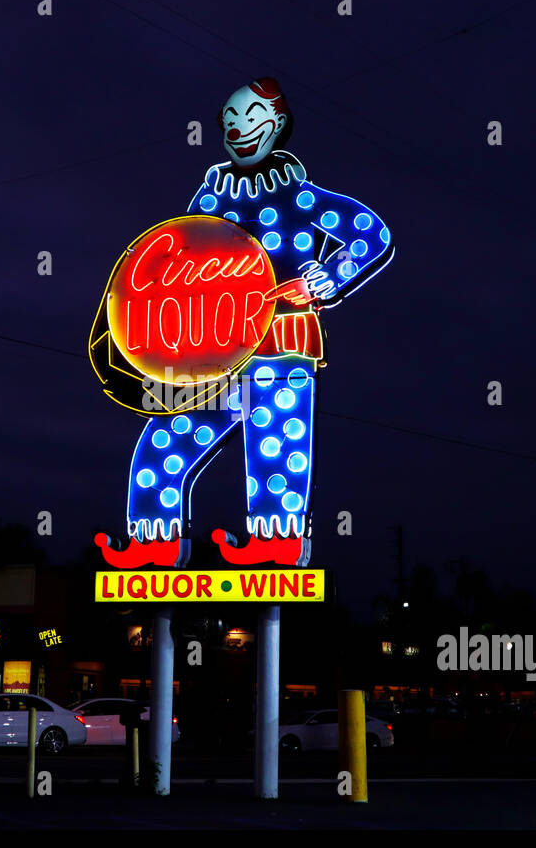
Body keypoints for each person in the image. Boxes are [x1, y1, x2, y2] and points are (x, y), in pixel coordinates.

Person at [97, 78, 395, 568]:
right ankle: (154, 540)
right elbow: (178, 255)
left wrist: (325, 281)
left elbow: (371, 234)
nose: (239, 129)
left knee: (274, 442)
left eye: (251, 118)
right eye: (230, 122)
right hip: (211, 348)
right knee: (167, 435)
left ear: (276, 124)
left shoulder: (300, 197)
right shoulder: (211, 198)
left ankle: (275, 544)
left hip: (279, 340)